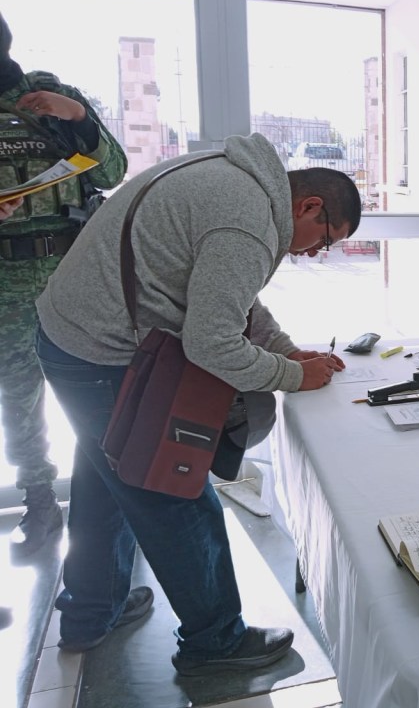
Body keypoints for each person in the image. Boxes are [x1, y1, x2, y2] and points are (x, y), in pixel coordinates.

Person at [34, 132, 361, 676]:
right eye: (322, 240)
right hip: (100, 351)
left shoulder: (236, 182)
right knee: (173, 491)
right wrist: (291, 375)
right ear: (309, 206)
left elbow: (229, 295)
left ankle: (92, 610)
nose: (311, 253)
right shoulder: (248, 221)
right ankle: (216, 642)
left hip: (72, 334)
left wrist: (282, 349)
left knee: (104, 477)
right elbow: (211, 344)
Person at [0, 10, 127, 557]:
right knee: (18, 393)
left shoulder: (52, 98)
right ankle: (39, 497)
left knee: (98, 387)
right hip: (6, 282)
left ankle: (121, 493)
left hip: (71, 276)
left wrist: (77, 117)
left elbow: (112, 172)